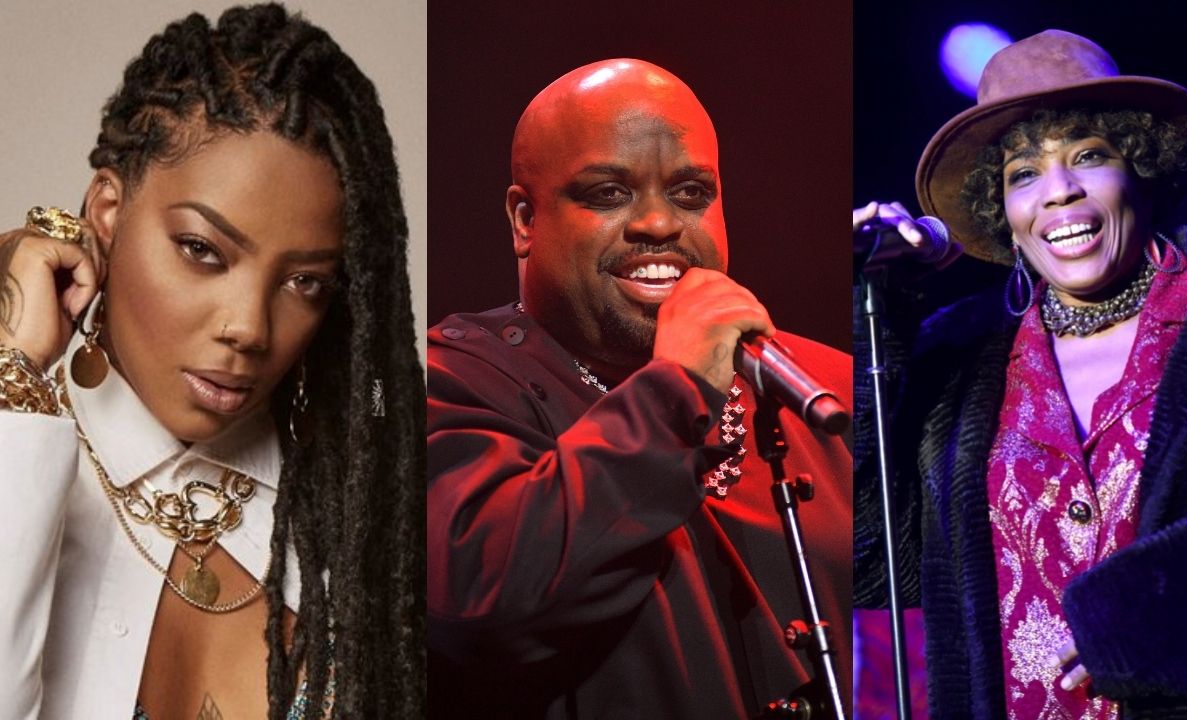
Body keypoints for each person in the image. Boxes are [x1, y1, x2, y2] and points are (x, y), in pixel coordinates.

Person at [0, 5, 426, 719]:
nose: (249, 328)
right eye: (203, 250)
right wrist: (14, 373)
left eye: (305, 282)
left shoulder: (359, 519)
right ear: (106, 210)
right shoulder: (16, 457)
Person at [853, 29, 1187, 717]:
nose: (1058, 192)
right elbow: (873, 566)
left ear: (1140, 168)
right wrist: (882, 322)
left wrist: (1160, 614)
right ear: (1005, 216)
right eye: (1024, 174)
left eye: (1089, 156)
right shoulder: (957, 365)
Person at [426, 59, 853, 718]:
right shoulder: (447, 381)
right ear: (523, 219)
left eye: (689, 193)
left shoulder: (822, 385)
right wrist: (675, 387)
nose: (658, 224)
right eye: (607, 193)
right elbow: (483, 604)